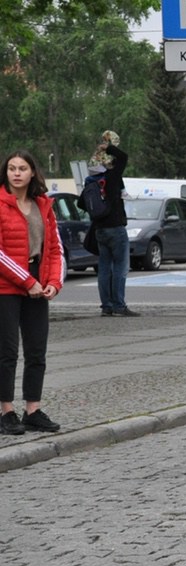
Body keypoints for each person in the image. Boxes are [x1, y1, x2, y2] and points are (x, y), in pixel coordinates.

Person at [0, 150, 63, 435]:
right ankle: (6, 412)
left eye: (22, 168)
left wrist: (53, 282)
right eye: (12, 168)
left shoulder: (43, 205)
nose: (16, 173)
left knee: (37, 350)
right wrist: (27, 281)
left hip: (38, 282)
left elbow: (55, 249)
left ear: (32, 173)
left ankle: (32, 410)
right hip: (6, 286)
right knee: (7, 351)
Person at [82, 131, 138, 317]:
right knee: (121, 268)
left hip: (99, 229)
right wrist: (109, 147)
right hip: (116, 228)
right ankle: (119, 306)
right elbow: (124, 157)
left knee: (104, 268)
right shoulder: (112, 177)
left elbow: (83, 203)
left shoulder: (90, 182)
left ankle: (106, 306)